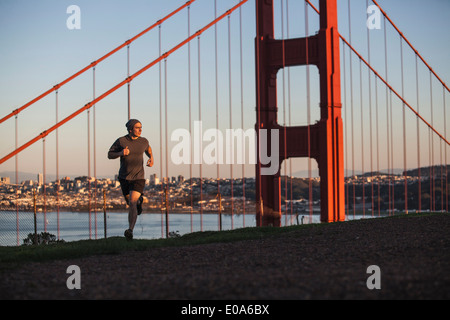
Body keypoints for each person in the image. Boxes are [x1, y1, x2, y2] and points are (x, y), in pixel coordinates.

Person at [108, 119, 154, 240]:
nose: (140, 130)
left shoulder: (144, 141)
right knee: (131, 203)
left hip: (138, 178)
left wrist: (151, 158)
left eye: (141, 127)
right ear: (130, 129)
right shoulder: (121, 141)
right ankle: (139, 203)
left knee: (132, 203)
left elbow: (148, 149)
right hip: (124, 177)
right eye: (137, 128)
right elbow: (109, 154)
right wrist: (121, 153)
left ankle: (130, 230)